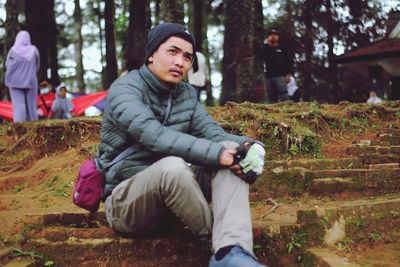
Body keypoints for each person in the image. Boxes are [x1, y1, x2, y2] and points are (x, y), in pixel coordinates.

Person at [96, 22, 267, 267]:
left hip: (174, 201)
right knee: (174, 167)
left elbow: (212, 133)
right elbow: (153, 135)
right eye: (173, 52)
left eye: (187, 57)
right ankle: (217, 246)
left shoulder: (185, 94)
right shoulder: (124, 89)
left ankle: (233, 252)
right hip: (127, 206)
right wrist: (220, 154)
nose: (181, 62)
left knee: (229, 148)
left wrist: (250, 146)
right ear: (152, 54)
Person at [4, 30, 40, 122]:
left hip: (14, 81)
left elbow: (7, 64)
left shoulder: (13, 50)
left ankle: (19, 127)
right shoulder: (34, 50)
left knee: (19, 105)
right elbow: (37, 65)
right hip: (30, 81)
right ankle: (34, 128)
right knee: (31, 105)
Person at [262, 29, 293, 104]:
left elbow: (289, 61)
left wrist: (288, 74)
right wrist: (267, 44)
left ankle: (288, 111)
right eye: (270, 35)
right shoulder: (266, 48)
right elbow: (260, 56)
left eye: (275, 35)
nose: (273, 37)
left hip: (280, 75)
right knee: (271, 97)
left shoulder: (282, 48)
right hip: (269, 76)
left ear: (278, 37)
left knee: (284, 95)